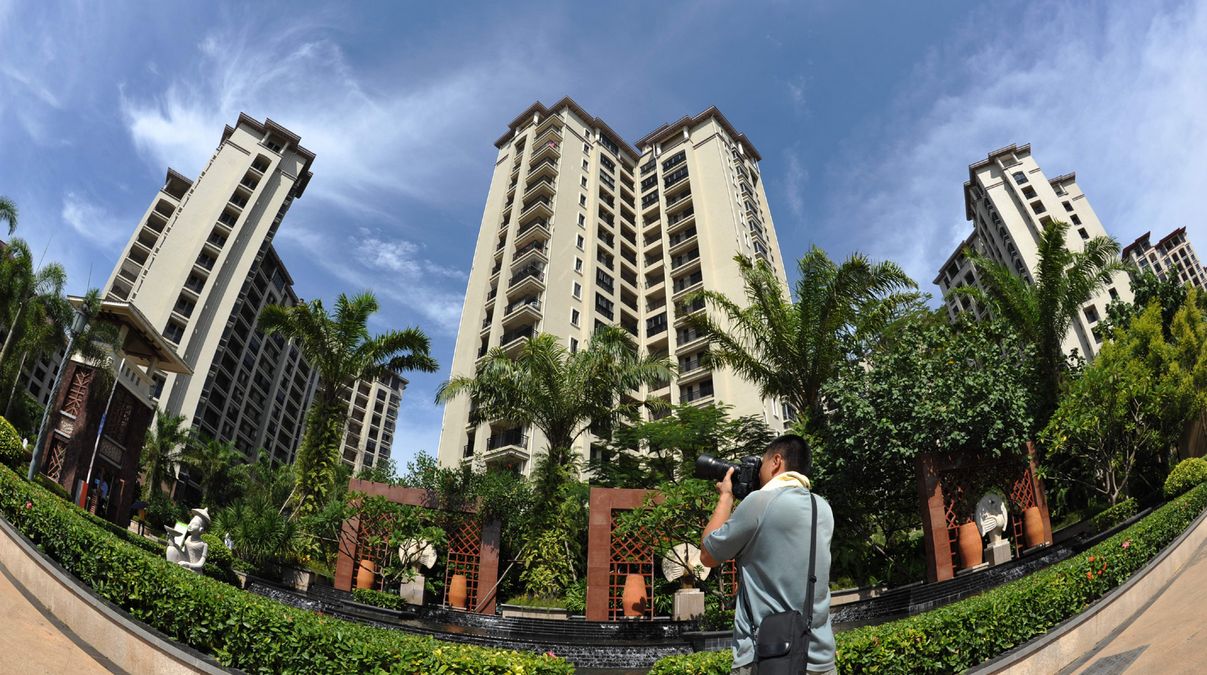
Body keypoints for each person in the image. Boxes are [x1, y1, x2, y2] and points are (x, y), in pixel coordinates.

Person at [700, 434, 835, 675]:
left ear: (776, 461)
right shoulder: (822, 507)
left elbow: (708, 555)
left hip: (767, 657)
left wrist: (726, 497)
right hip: (819, 657)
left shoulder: (760, 502)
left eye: (761, 464)